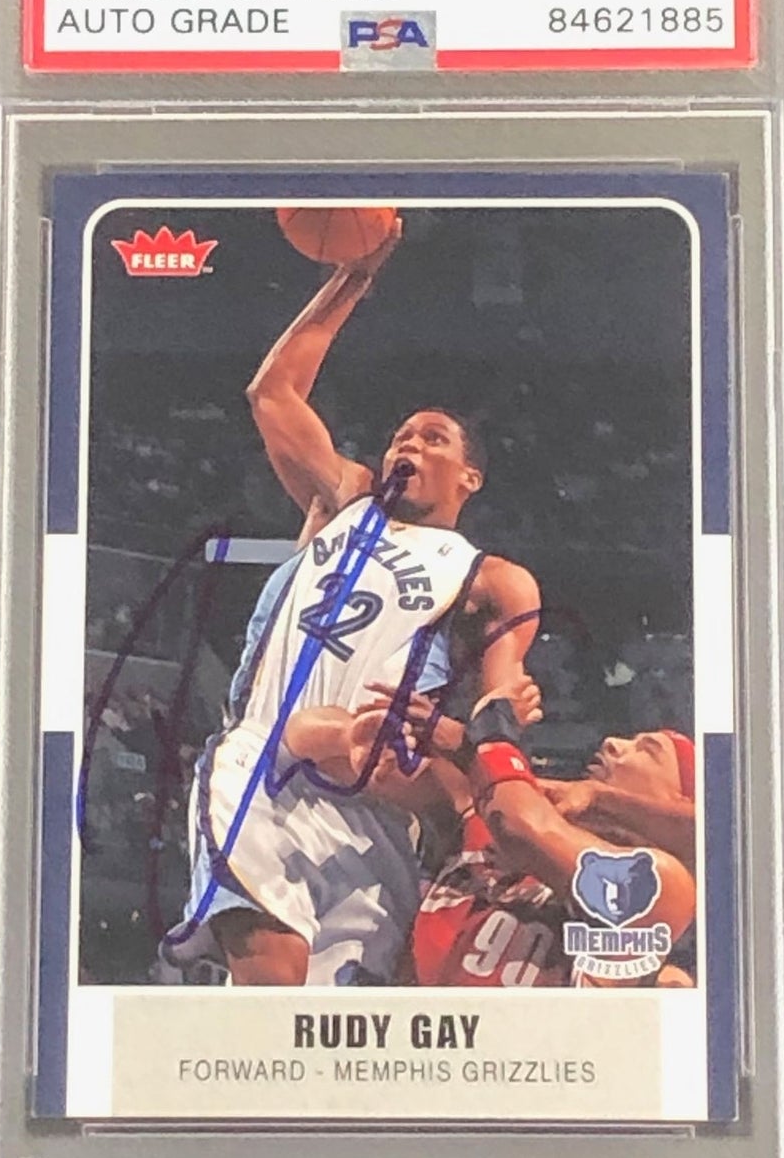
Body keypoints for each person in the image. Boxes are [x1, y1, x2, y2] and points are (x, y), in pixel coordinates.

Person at [165, 222, 543, 986]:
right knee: (271, 986)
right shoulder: (345, 501)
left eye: (432, 439)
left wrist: (467, 734)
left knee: (338, 1027)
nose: (408, 446)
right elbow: (273, 394)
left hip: (376, 803)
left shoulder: (492, 578)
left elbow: (501, 697)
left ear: (469, 478)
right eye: (401, 436)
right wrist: (353, 278)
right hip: (265, 760)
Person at [281, 680, 696, 989]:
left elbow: (520, 829)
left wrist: (490, 732)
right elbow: (302, 737)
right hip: (410, 1060)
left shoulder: (664, 885)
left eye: (647, 749)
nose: (614, 743)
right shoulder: (486, 807)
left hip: (521, 1073)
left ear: (678, 800)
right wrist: (353, 736)